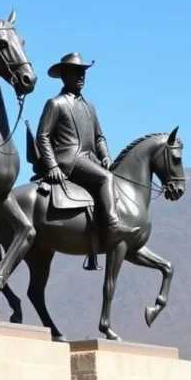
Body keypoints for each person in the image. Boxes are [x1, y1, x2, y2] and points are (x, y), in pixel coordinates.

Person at [36, 52, 141, 244]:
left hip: (90, 160)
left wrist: (106, 156)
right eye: (76, 72)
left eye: (83, 72)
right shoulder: (56, 103)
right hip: (70, 160)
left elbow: (99, 137)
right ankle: (112, 225)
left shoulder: (89, 107)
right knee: (106, 178)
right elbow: (42, 136)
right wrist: (52, 166)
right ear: (65, 76)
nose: (81, 76)